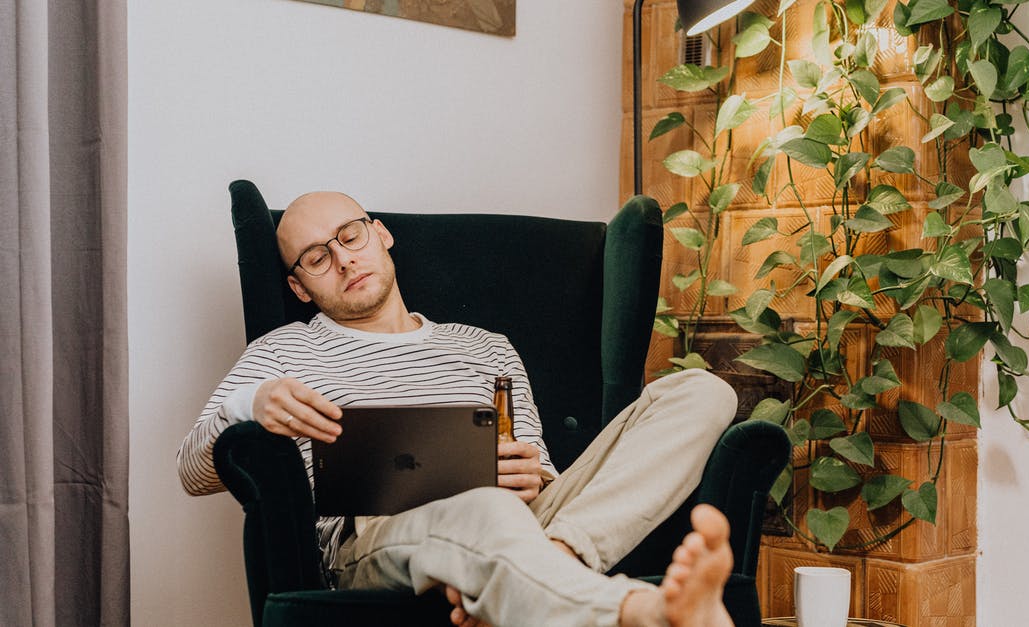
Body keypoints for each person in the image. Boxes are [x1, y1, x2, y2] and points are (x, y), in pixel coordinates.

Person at [178, 191, 741, 627]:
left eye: (350, 235)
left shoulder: (487, 345)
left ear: (381, 234)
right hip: (375, 540)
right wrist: (248, 402)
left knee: (701, 391)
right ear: (299, 288)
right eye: (317, 258)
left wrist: (534, 476)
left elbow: (541, 471)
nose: (345, 259)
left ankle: (552, 559)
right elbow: (191, 471)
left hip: (522, 522)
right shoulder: (286, 351)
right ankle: (642, 612)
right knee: (484, 510)